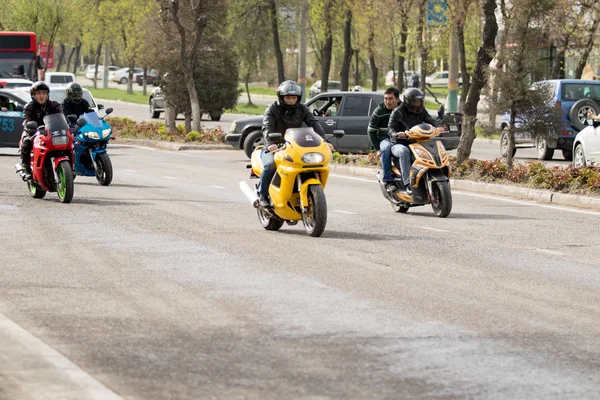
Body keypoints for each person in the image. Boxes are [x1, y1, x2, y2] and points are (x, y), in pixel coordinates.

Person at [260, 80, 334, 207]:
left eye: (294, 98)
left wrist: (325, 140)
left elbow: (314, 123)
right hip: (275, 147)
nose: (291, 101)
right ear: (281, 97)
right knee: (270, 166)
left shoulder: (302, 109)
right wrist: (270, 143)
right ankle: (263, 195)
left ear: (298, 98)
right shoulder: (272, 108)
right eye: (288, 97)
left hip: (294, 146)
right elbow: (267, 127)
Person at [387, 88, 438, 194]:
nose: (417, 104)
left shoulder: (422, 110)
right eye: (415, 101)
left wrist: (437, 127)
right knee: (404, 151)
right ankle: (407, 184)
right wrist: (396, 134)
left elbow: (430, 121)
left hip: (416, 142)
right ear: (408, 101)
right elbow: (390, 128)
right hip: (399, 143)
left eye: (419, 101)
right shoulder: (397, 112)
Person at [20, 81, 62, 180]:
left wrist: (68, 124)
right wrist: (28, 126)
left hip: (51, 133)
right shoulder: (29, 107)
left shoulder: (54, 106)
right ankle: (26, 169)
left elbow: (62, 118)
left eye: (44, 93)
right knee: (26, 142)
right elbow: (26, 120)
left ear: (47, 95)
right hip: (34, 132)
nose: (41, 96)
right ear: (33, 95)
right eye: (39, 93)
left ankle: (69, 167)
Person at [367, 87, 401, 192]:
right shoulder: (379, 111)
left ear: (398, 99)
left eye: (391, 99)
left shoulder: (404, 109)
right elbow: (371, 131)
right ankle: (388, 181)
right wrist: (377, 149)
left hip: (401, 138)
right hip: (385, 139)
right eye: (386, 98)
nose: (387, 101)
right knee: (386, 149)